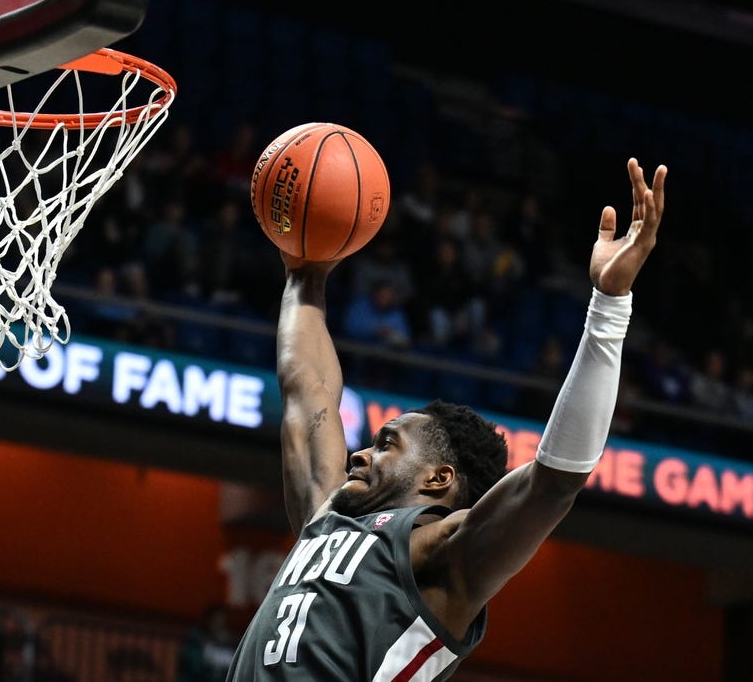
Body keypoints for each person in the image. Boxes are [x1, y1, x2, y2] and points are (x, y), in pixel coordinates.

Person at [224, 158, 666, 680]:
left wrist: (608, 306)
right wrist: (305, 272)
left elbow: (551, 485)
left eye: (388, 444)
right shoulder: (327, 517)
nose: (360, 453)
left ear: (439, 478)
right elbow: (306, 392)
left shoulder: (441, 556)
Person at [176, 605, 238, 682]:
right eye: (216, 621)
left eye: (223, 623)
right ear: (208, 622)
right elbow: (193, 667)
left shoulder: (232, 645)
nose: (219, 625)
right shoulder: (196, 642)